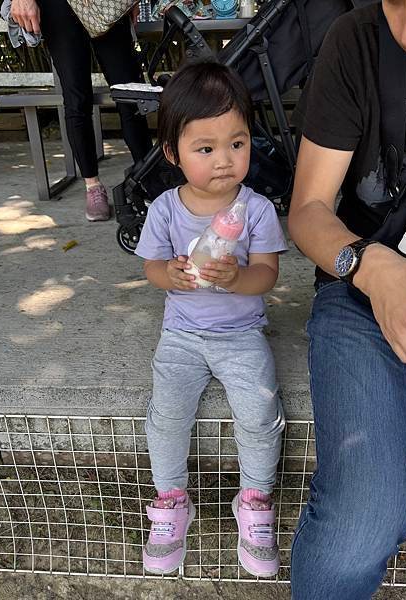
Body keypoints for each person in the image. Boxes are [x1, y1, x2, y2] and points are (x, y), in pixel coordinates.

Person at [288, 0, 406, 598]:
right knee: (359, 525)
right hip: (364, 296)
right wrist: (374, 267)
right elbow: (309, 212)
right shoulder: (355, 42)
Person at [134, 61, 287, 576]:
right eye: (206, 149)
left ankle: (255, 500)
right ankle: (171, 498)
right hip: (181, 334)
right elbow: (153, 265)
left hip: (241, 333)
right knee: (167, 414)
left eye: (237, 143)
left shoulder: (257, 210)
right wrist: (170, 276)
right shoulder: (165, 209)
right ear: (173, 153)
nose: (225, 160)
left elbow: (267, 274)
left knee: (259, 413)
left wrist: (235, 280)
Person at [10, 0, 153, 221]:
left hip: (107, 4)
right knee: (76, 98)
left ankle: (148, 175)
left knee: (131, 93)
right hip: (57, 7)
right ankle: (92, 186)